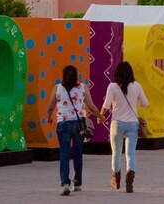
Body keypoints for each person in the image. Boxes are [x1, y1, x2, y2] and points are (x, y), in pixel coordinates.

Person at [44, 64, 103, 196]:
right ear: (76, 75)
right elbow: (91, 106)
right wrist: (100, 117)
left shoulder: (57, 87)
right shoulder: (82, 87)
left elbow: (50, 106)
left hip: (63, 124)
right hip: (78, 125)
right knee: (77, 153)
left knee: (64, 154)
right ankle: (77, 183)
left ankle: (65, 183)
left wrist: (49, 117)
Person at [101, 61, 149, 193]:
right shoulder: (137, 86)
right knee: (130, 154)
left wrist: (100, 116)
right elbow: (145, 103)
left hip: (117, 123)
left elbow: (106, 104)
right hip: (133, 124)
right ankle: (130, 181)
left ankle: (116, 180)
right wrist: (136, 100)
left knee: (116, 153)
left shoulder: (112, 87)